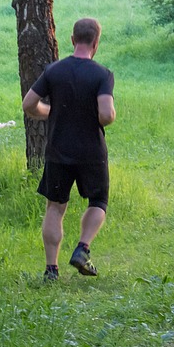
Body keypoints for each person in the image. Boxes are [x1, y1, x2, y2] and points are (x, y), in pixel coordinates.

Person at [22, 17, 116, 282]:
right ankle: (82, 248)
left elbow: (29, 104)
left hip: (58, 151)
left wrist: (49, 112)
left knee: (55, 207)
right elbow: (106, 115)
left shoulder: (54, 71)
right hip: (91, 153)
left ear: (73, 40)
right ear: (96, 43)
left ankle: (51, 269)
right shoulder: (102, 74)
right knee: (98, 201)